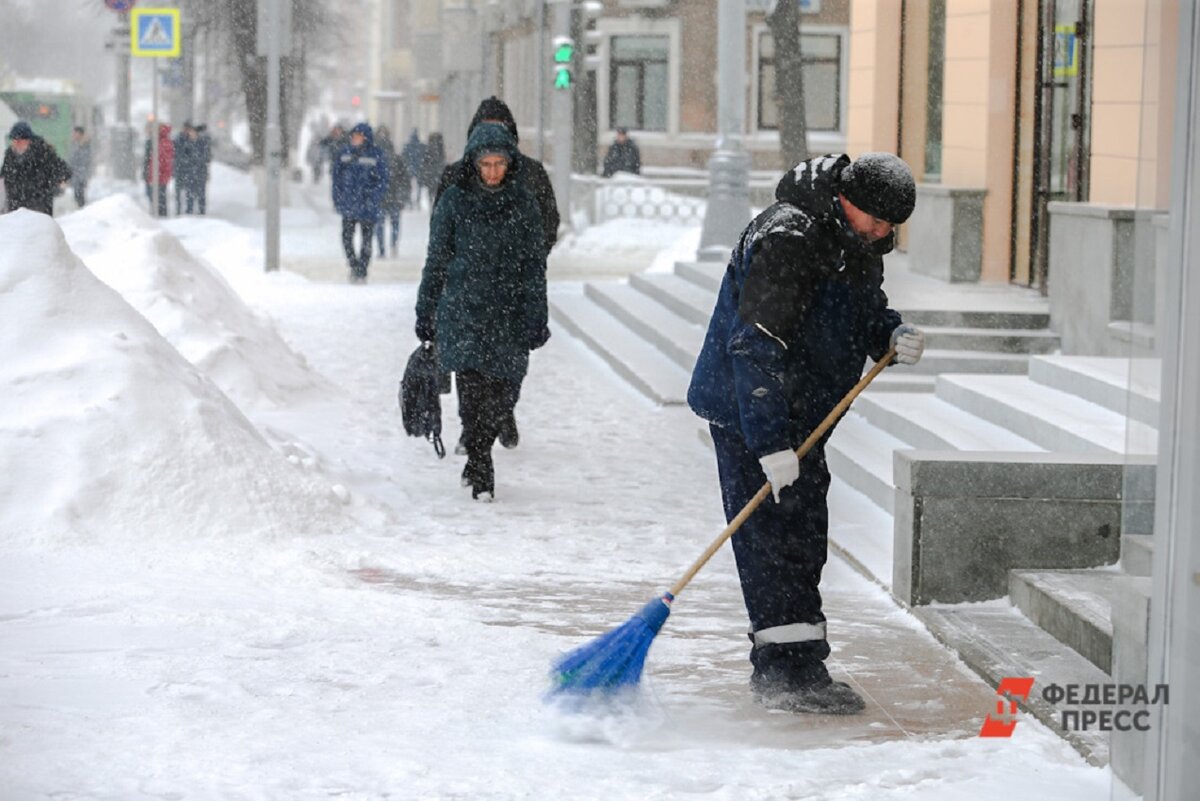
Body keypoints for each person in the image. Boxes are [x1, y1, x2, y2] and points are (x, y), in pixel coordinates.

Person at [686, 152, 926, 715]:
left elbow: (862, 312)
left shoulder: (856, 243)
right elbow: (755, 346)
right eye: (877, 220)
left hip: (803, 415)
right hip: (751, 409)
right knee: (768, 543)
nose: (884, 233)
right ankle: (780, 675)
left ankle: (803, 666)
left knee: (802, 536)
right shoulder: (788, 238)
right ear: (848, 200)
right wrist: (769, 443)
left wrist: (892, 334)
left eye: (892, 225)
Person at [414, 122, 549, 502]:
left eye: (499, 163)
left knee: (506, 392)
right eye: (486, 164)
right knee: (472, 395)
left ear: (509, 163)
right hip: (464, 311)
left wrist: (537, 315)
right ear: (474, 163)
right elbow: (436, 260)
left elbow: (534, 266)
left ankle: (479, 448)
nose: (492, 172)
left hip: (508, 312)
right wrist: (426, 309)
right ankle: (480, 460)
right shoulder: (455, 201)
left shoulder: (523, 204)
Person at [435, 96, 560, 453]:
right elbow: (440, 233)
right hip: (467, 290)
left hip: (512, 290)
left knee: (509, 371)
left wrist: (526, 256)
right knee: (469, 367)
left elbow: (548, 222)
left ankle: (501, 415)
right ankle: (472, 433)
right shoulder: (456, 177)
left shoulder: (531, 175)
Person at [331, 122, 389, 284]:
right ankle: (353, 265)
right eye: (353, 136)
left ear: (366, 138)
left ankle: (362, 270)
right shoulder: (344, 154)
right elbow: (336, 178)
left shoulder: (375, 155)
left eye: (358, 136)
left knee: (367, 239)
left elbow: (383, 180)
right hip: (349, 205)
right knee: (346, 237)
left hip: (367, 206)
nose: (354, 139)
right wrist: (338, 198)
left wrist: (373, 197)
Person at [1, 121, 71, 215]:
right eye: (14, 140)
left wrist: (52, 184)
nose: (16, 144)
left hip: (39, 206)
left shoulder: (43, 153)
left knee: (37, 228)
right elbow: (4, 174)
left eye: (19, 141)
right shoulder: (10, 156)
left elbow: (63, 170)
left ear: (29, 140)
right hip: (16, 207)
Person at [376, 125, 410, 259]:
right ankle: (393, 246)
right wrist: (403, 195)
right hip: (395, 196)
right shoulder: (397, 159)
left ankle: (382, 249)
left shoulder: (375, 159)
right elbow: (405, 179)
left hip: (381, 197)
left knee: (380, 225)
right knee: (394, 223)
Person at [142, 122, 174, 217]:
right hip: (155, 175)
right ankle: (159, 214)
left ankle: (160, 215)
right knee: (156, 196)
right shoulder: (154, 141)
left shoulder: (160, 142)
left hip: (157, 175)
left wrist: (152, 174)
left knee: (158, 197)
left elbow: (161, 160)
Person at [417, 131, 445, 209]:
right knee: (436, 191)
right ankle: (435, 205)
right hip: (437, 173)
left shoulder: (429, 147)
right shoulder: (440, 147)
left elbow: (425, 162)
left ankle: (432, 205)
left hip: (431, 174)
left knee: (431, 191)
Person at [67, 126, 92, 208]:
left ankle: (82, 212)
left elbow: (84, 160)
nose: (73, 135)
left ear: (80, 134)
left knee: (79, 196)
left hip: (80, 175)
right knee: (77, 196)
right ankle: (81, 211)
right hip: (76, 175)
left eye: (75, 133)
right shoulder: (75, 144)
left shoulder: (84, 145)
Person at [401, 128, 424, 201]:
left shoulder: (407, 145)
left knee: (408, 185)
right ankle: (417, 200)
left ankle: (409, 200)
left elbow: (404, 156)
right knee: (418, 186)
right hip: (418, 167)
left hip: (409, 167)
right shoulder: (421, 146)